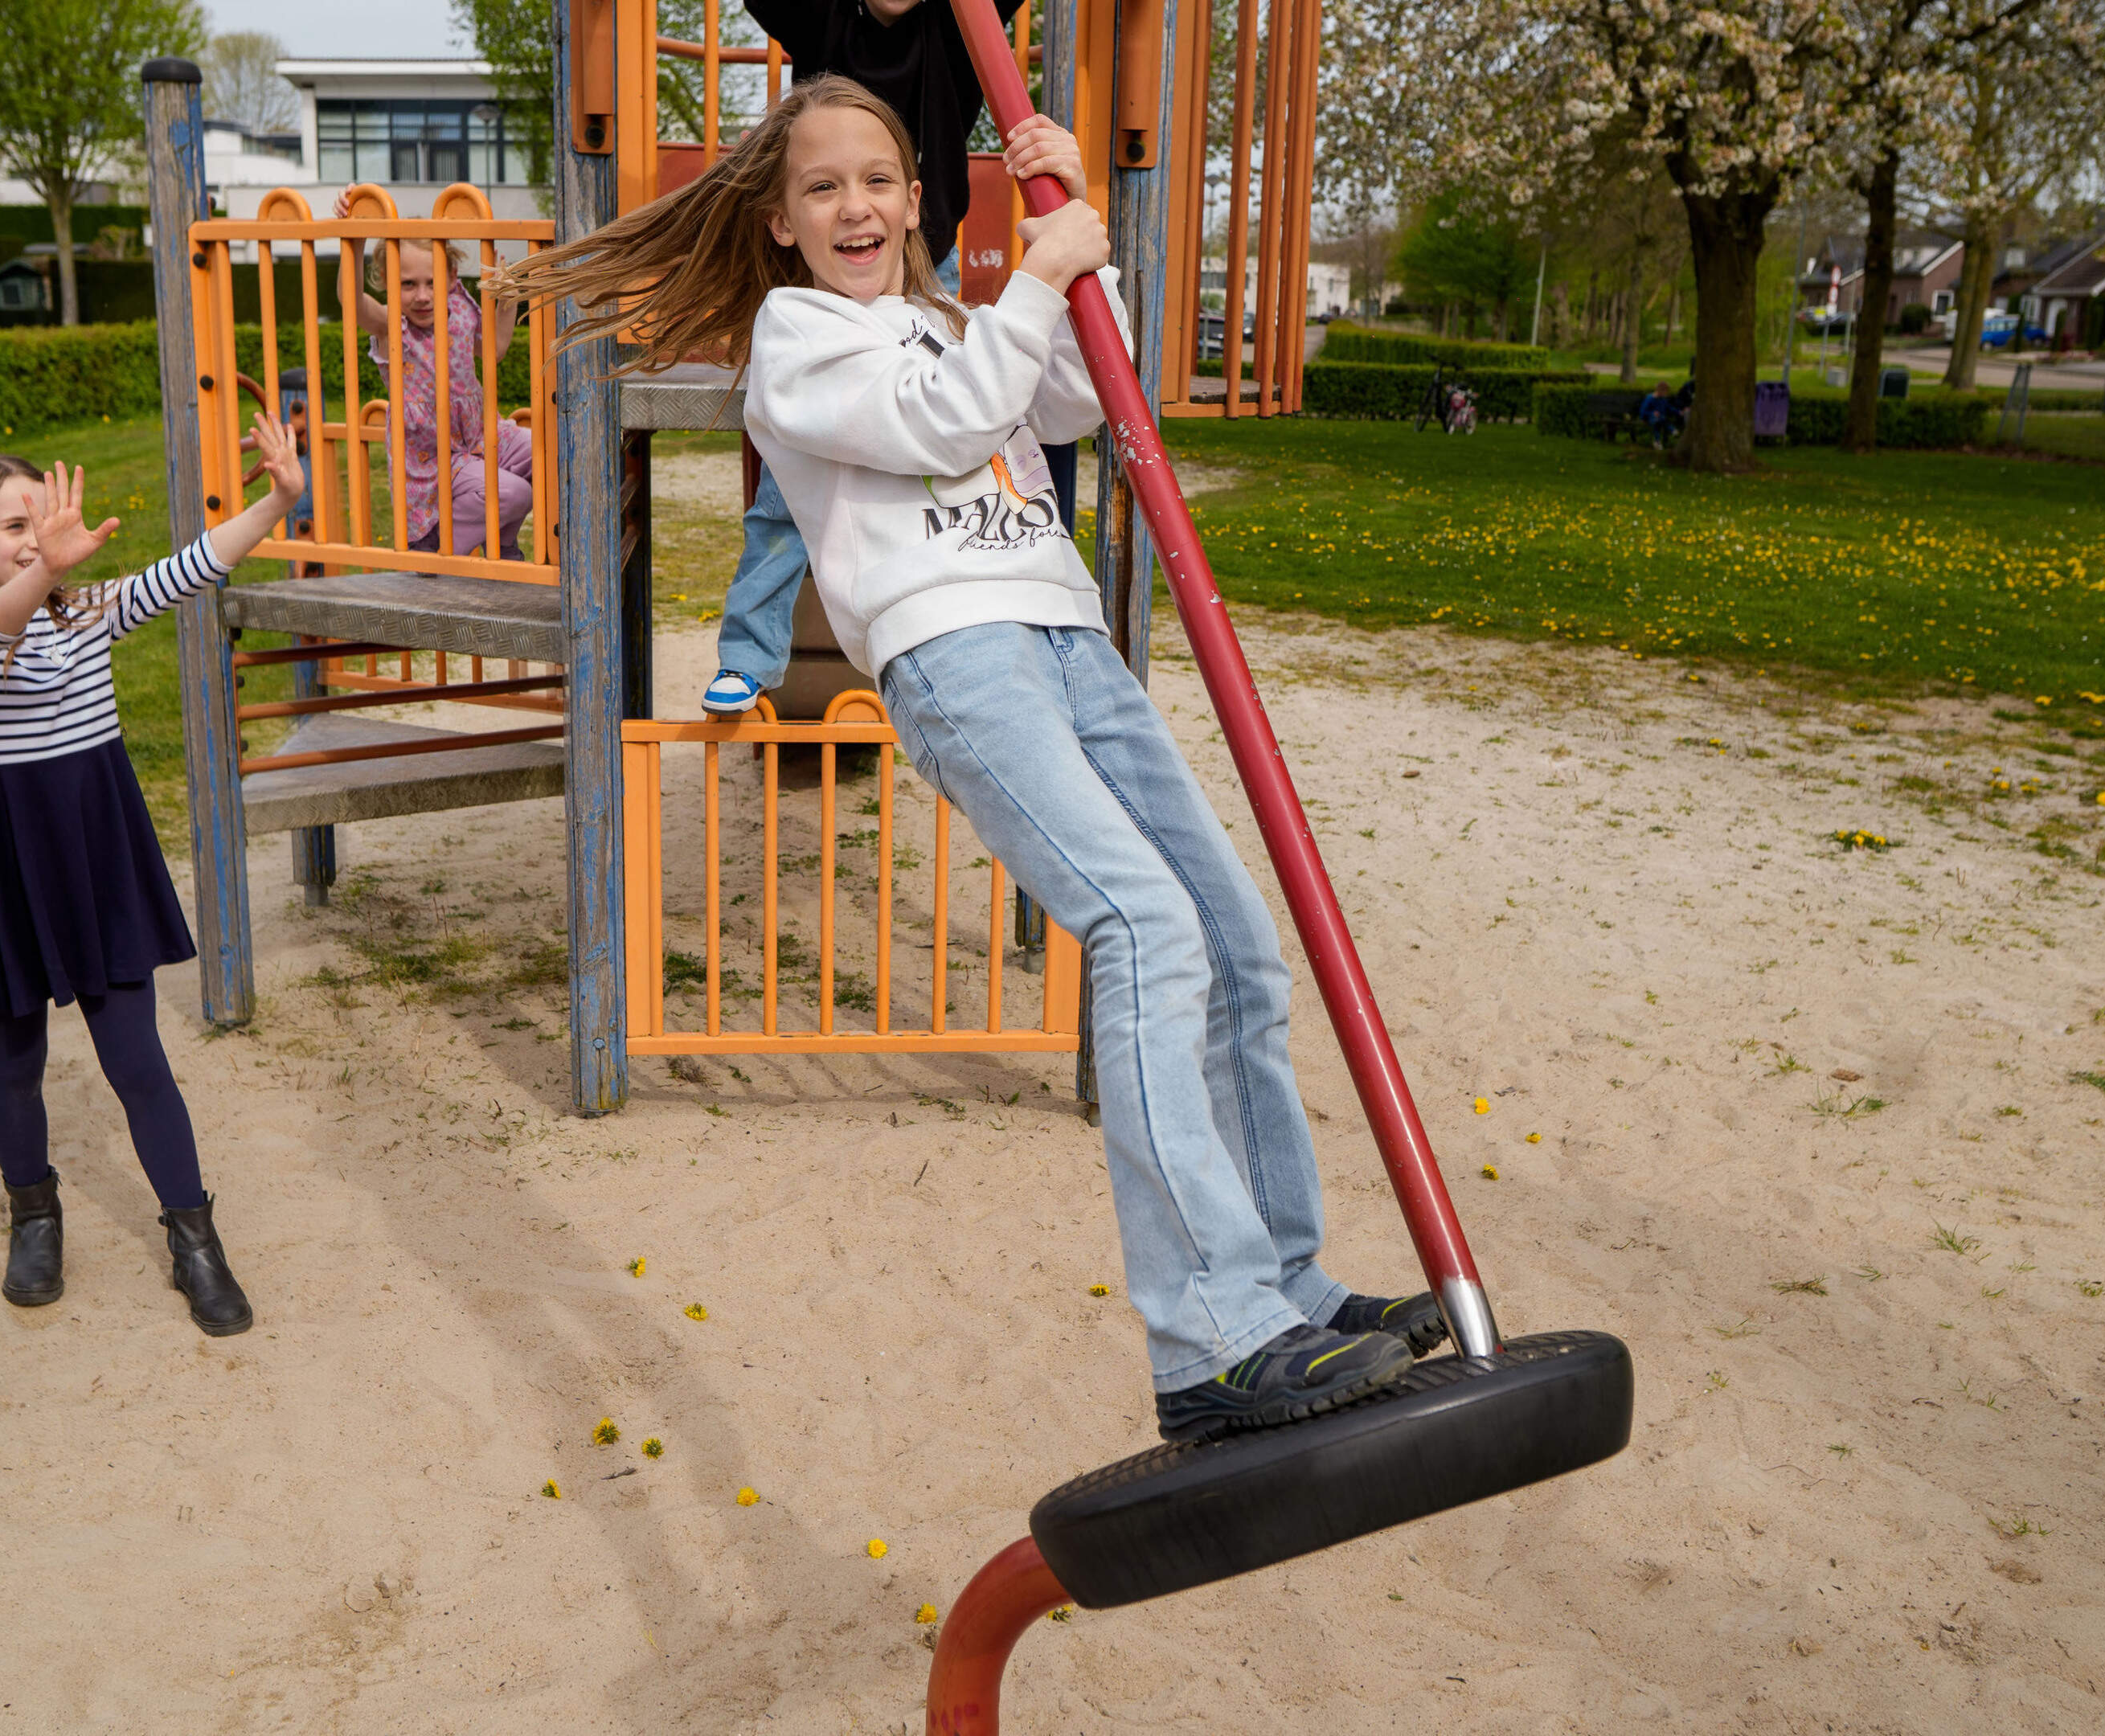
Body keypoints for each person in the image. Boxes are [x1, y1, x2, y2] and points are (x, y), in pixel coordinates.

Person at [497, 78, 1448, 1443]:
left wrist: (1081, 235)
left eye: (878, 178)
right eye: (822, 187)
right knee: (1142, 930)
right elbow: (944, 427)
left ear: (917, 197)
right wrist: (1037, 278)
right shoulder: (797, 342)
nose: (856, 206)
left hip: (1068, 638)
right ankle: (1209, 1341)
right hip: (957, 654)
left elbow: (1075, 397)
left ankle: (1286, 1286)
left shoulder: (949, 318)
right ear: (778, 222)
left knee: (1234, 941)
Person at [0, 413, 305, 1336]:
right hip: (4, 858)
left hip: (97, 850)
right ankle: (34, 1217)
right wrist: (45, 566)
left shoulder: (85, 612)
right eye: (14, 526)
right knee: (16, 1062)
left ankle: (194, 1238)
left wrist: (278, 500)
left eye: (42, 521)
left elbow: (191, 566)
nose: (39, 538)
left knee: (139, 1060)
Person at [698, 0, 1073, 717]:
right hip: (833, 284)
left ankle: (996, 621)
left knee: (973, 447)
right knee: (789, 488)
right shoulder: (826, 21)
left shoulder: (957, 31)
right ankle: (749, 651)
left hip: (927, 266)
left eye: (876, 181)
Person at [336, 192, 535, 560]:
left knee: (545, 452)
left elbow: (492, 350)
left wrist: (507, 303)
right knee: (514, 493)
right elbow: (351, 300)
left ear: (452, 276)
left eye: (431, 282)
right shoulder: (391, 326)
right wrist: (355, 235)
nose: (422, 296)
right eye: (407, 284)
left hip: (481, 431)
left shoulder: (458, 308)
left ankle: (502, 542)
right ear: (385, 281)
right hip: (434, 455)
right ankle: (437, 551)